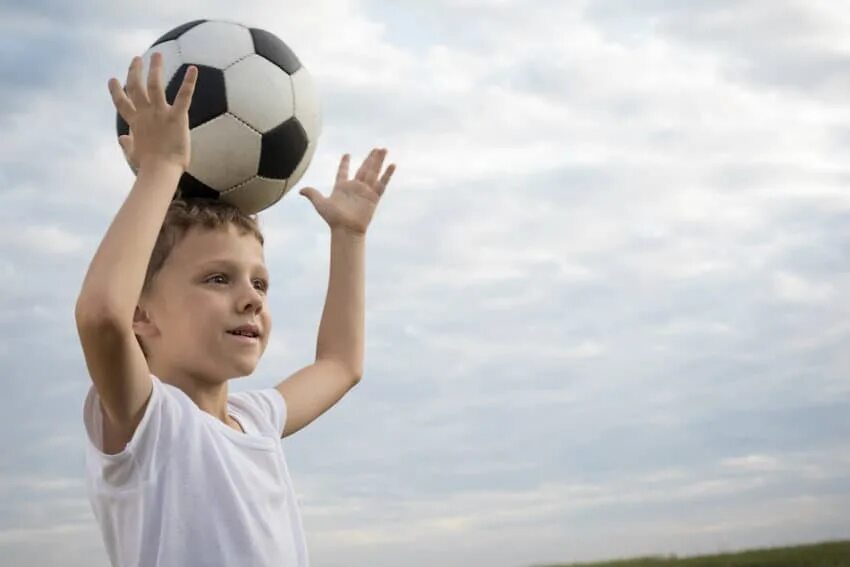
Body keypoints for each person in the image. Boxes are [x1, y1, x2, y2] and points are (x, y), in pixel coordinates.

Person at [75, 52, 396, 567]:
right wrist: (160, 170)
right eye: (217, 279)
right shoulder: (149, 421)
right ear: (141, 314)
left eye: (261, 284)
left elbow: (340, 364)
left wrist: (349, 236)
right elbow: (99, 315)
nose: (251, 298)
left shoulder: (256, 420)